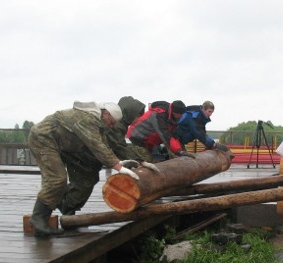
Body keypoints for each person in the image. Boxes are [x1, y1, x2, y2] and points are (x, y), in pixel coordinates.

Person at [28, 101, 141, 237]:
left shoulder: (100, 124)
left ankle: (65, 207)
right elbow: (96, 145)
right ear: (106, 114)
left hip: (66, 145)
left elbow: (104, 146)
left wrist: (122, 162)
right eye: (112, 122)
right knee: (57, 179)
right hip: (44, 139)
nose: (113, 125)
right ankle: (38, 219)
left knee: (87, 177)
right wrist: (118, 167)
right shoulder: (86, 118)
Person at [58, 96, 158, 217]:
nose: (137, 121)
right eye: (137, 117)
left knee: (85, 182)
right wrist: (141, 159)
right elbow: (117, 147)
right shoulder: (116, 125)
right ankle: (65, 207)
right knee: (83, 183)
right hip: (82, 155)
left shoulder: (120, 123)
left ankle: (67, 207)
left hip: (87, 155)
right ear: (130, 113)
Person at [126, 99, 194, 161]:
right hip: (137, 136)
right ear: (174, 113)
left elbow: (174, 136)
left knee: (153, 159)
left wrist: (180, 150)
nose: (182, 117)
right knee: (147, 159)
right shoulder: (158, 114)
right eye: (181, 115)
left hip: (150, 140)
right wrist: (179, 151)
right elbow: (164, 134)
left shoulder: (173, 118)